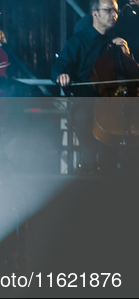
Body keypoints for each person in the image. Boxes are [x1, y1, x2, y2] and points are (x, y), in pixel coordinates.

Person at [51, 0, 136, 172]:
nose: (115, 15)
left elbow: (133, 77)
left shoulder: (117, 42)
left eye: (117, 11)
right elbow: (58, 69)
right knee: (89, 151)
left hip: (114, 105)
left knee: (114, 158)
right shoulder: (78, 42)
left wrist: (127, 55)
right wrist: (62, 75)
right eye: (109, 11)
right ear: (95, 14)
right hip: (87, 103)